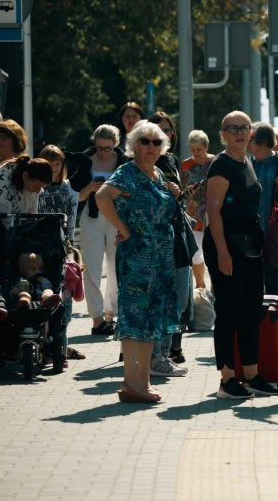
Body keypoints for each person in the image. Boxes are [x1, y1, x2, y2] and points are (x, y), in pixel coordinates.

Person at [95, 120, 181, 403]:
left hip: (161, 259)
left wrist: (173, 193)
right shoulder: (127, 172)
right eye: (145, 141)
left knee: (152, 320)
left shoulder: (157, 173)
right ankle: (130, 382)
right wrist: (123, 228)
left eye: (157, 142)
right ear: (134, 145)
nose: (151, 146)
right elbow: (102, 197)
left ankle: (141, 382)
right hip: (137, 258)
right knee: (135, 318)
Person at [203, 111, 278, 400]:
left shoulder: (247, 161)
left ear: (251, 132)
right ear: (223, 133)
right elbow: (213, 211)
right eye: (232, 128)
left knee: (251, 310)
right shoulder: (221, 164)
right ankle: (227, 379)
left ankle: (251, 375)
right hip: (226, 244)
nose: (239, 133)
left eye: (244, 128)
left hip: (250, 245)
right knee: (229, 311)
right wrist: (223, 251)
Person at [147, 110, 193, 375]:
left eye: (167, 130)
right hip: (156, 238)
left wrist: (181, 194)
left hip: (177, 230)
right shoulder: (142, 162)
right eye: (156, 131)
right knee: (165, 299)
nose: (163, 135)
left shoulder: (172, 159)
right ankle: (158, 356)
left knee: (180, 299)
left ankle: (167, 352)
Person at [70, 124, 127, 337]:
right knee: (92, 267)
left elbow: (130, 191)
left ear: (116, 144)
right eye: (99, 147)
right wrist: (89, 189)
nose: (103, 152)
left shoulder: (124, 161)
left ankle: (111, 314)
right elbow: (75, 196)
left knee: (115, 267)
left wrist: (113, 188)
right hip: (91, 216)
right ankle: (97, 318)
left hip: (115, 216)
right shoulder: (86, 160)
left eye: (107, 148)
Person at [37, 145, 83, 366]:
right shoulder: (36, 188)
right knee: (42, 292)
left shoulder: (68, 188)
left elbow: (71, 219)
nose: (54, 168)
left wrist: (69, 247)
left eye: (58, 163)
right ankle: (44, 346)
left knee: (64, 295)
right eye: (49, 163)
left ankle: (60, 349)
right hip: (38, 246)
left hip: (63, 247)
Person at [247, 122, 278, 313]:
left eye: (250, 138)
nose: (246, 141)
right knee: (252, 285)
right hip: (250, 234)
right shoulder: (245, 163)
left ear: (264, 140)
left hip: (276, 235)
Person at [180, 129, 214, 290]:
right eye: (193, 149)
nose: (196, 153)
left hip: (214, 213)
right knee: (195, 253)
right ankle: (200, 286)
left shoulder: (216, 162)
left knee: (213, 253)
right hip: (193, 215)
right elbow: (182, 189)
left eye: (199, 149)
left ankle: (215, 287)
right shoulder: (186, 165)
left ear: (206, 146)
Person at [0, 155, 53, 226]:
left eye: (40, 187)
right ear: (25, 175)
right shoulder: (2, 183)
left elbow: (31, 219)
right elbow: (1, 224)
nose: (37, 191)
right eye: (35, 186)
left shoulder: (31, 185)